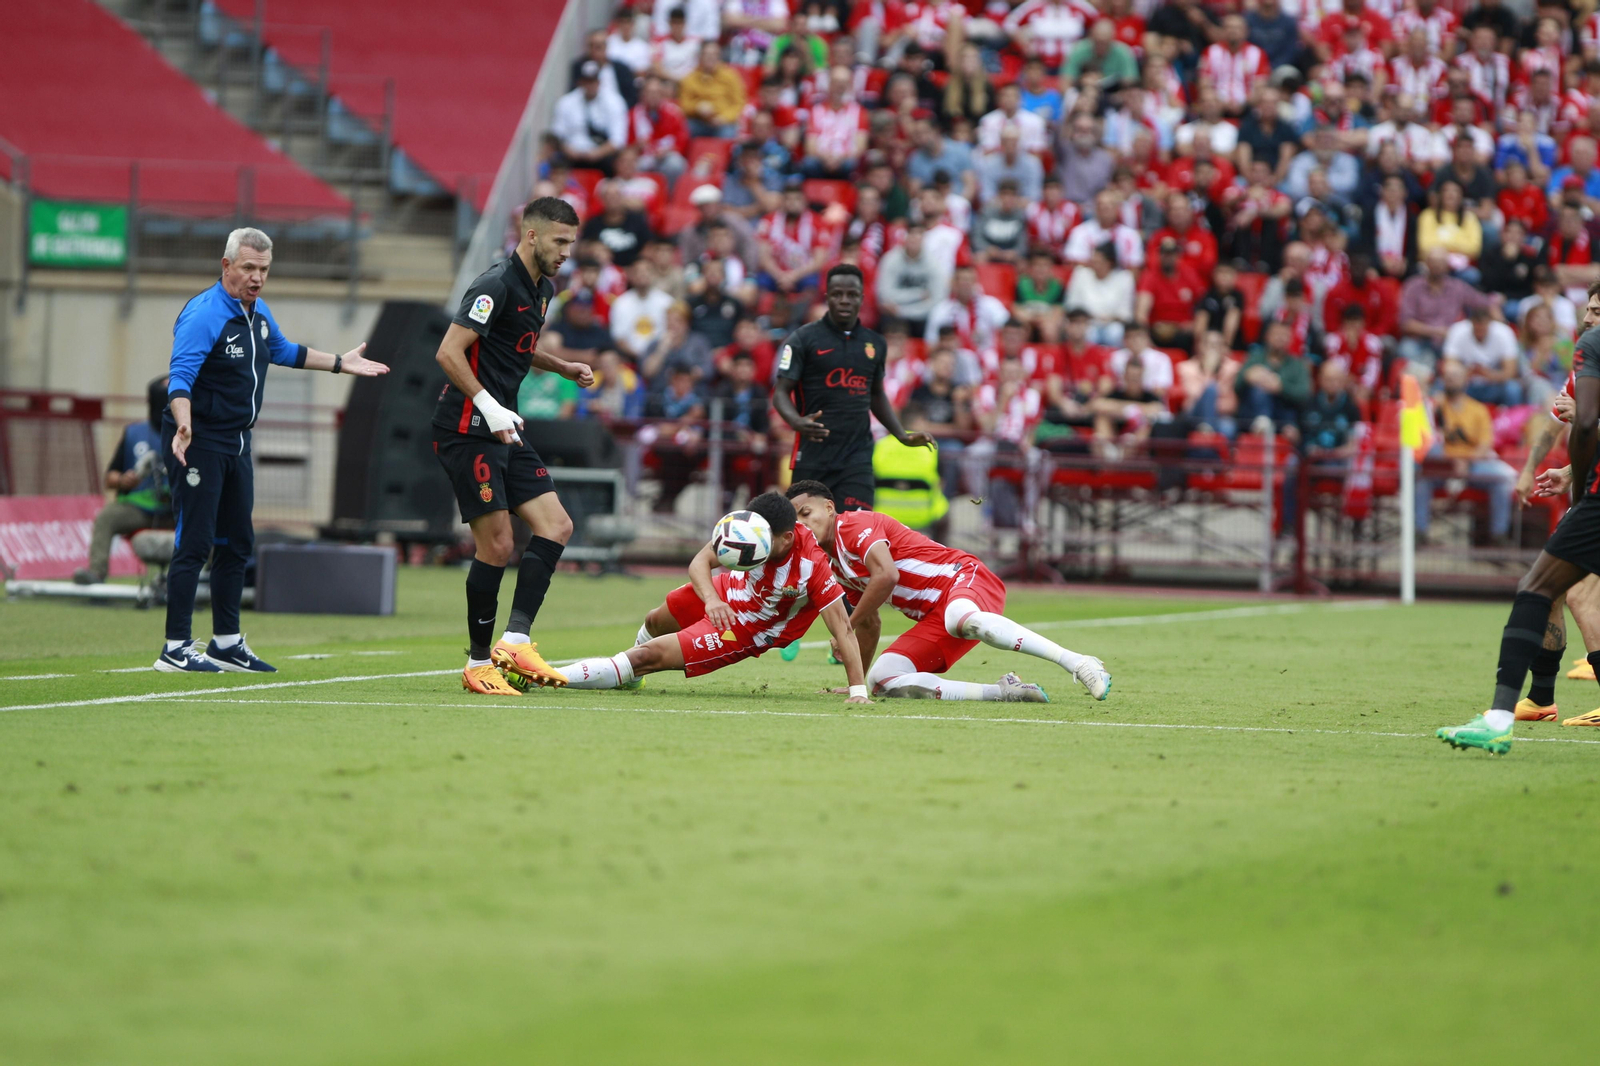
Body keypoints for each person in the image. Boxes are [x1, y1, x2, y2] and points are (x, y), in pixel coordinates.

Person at [158, 228, 389, 673]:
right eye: (248, 268)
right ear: (226, 266)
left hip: (237, 443)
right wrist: (183, 422)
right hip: (199, 443)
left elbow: (282, 351)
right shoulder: (204, 314)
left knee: (236, 542)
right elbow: (180, 378)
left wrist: (341, 363)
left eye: (263, 269)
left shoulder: (258, 312)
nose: (257, 277)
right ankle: (174, 646)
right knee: (195, 541)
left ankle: (225, 643)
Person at [430, 198, 592, 696]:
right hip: (466, 429)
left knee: (557, 525)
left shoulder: (542, 288)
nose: (567, 251)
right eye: (559, 241)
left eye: (572, 242)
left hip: (503, 426)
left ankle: (515, 640)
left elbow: (516, 343)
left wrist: (562, 367)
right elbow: (448, 352)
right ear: (531, 236)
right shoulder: (494, 283)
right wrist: (487, 404)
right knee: (498, 545)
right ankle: (479, 663)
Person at [787, 480, 1112, 702]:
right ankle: (1003, 691)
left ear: (829, 507)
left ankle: (1079, 663)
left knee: (960, 616)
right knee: (882, 679)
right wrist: (855, 682)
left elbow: (887, 576)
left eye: (807, 513)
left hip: (964, 578)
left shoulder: (853, 525)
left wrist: (846, 625)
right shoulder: (835, 565)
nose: (802, 524)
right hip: (935, 617)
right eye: (795, 521)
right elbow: (871, 624)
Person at [558, 491, 870, 704]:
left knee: (644, 658)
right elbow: (700, 562)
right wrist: (711, 599)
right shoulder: (746, 528)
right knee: (654, 619)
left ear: (786, 538)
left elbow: (842, 628)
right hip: (725, 591)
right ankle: (629, 675)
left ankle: (543, 676)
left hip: (749, 627)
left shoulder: (811, 566)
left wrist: (858, 690)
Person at [774, 264, 936, 513]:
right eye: (837, 294)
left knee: (855, 533)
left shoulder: (874, 344)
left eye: (851, 295)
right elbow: (781, 393)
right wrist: (796, 421)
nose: (844, 300)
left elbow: (876, 394)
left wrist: (901, 434)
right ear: (827, 297)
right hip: (814, 457)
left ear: (861, 298)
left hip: (856, 459)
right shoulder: (802, 340)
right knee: (809, 538)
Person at [75, 375, 171, 587]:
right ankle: (96, 575)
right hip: (139, 508)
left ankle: (207, 580)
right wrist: (123, 480)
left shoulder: (192, 433)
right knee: (107, 517)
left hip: (177, 509)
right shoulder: (134, 433)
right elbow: (110, 477)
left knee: (211, 520)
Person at [1414, 359, 1519, 553]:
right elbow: (1425, 439)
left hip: (1472, 465)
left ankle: (1498, 536)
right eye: (1447, 377)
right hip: (1442, 464)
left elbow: (1484, 445)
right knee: (1421, 480)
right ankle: (1419, 535)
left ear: (1465, 381)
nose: (1451, 381)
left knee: (1502, 480)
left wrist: (1465, 462)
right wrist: (1452, 462)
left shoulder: (1477, 409)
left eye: (1455, 377)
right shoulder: (1435, 405)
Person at [551, 62, 627, 172]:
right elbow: (557, 134)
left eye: (593, 81)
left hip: (602, 155)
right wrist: (568, 150)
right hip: (572, 155)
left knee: (617, 161)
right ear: (580, 82)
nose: (590, 85)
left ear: (599, 82)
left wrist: (598, 153)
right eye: (586, 81)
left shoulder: (614, 102)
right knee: (557, 161)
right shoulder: (566, 102)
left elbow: (618, 140)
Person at [678, 40, 746, 138]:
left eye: (714, 54)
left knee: (727, 133)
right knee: (684, 128)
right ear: (700, 57)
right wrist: (697, 107)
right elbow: (684, 105)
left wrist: (723, 118)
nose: (711, 57)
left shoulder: (731, 76)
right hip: (699, 121)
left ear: (719, 57)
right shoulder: (689, 78)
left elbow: (738, 104)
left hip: (723, 123)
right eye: (707, 54)